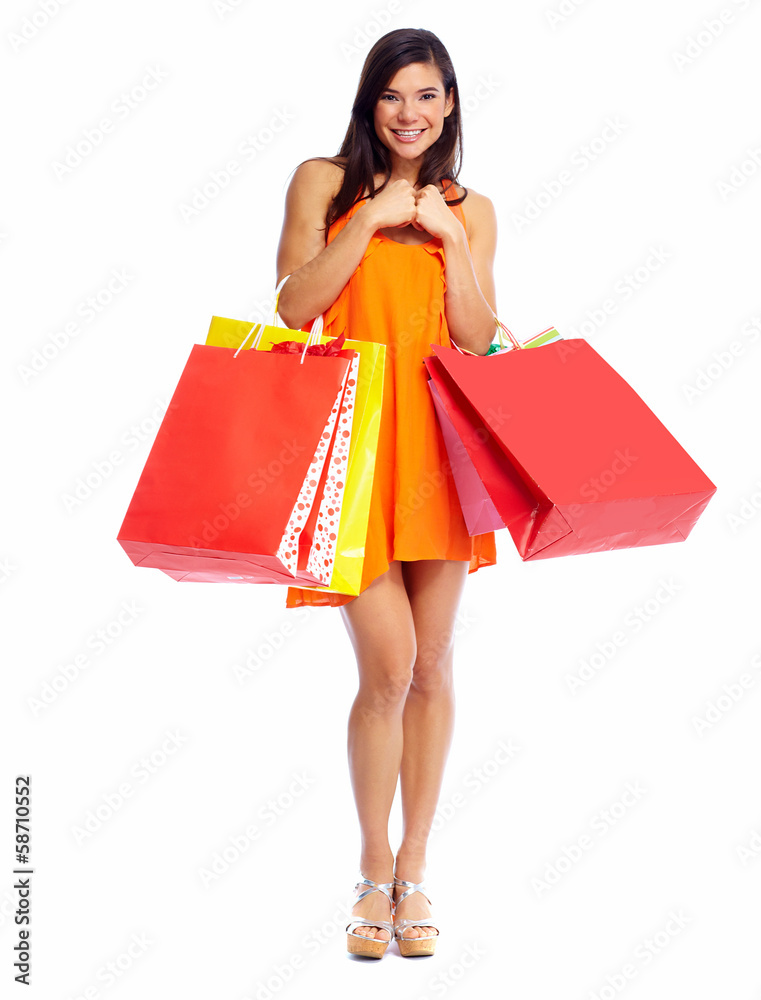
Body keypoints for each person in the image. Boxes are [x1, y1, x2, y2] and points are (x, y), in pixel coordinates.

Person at [275, 27, 498, 959]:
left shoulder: (468, 205)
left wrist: (453, 243)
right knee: (389, 667)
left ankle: (415, 869)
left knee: (435, 669)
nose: (411, 114)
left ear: (449, 104)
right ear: (369, 103)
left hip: (441, 449)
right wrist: (368, 222)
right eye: (393, 97)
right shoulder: (323, 183)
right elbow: (292, 306)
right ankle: (371, 872)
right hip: (348, 448)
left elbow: (480, 339)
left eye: (428, 96)